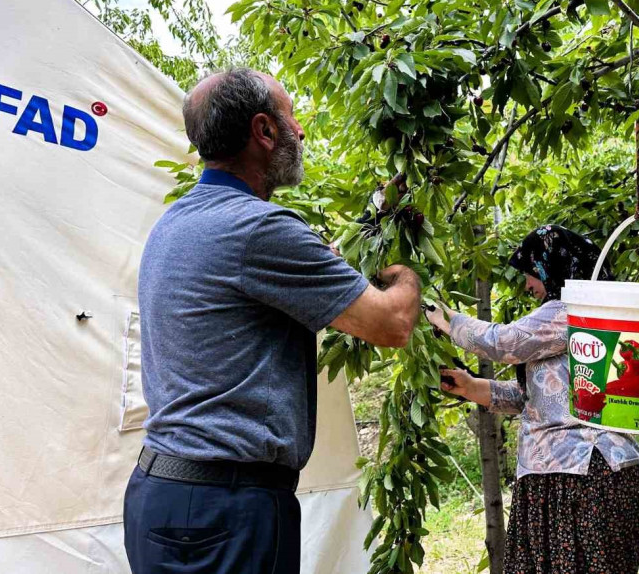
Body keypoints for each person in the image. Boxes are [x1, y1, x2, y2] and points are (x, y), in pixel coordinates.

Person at [124, 68, 422, 574]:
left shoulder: (174, 223)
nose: (301, 130)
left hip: (160, 494)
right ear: (264, 131)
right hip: (226, 511)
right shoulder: (258, 229)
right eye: (291, 116)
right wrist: (404, 274)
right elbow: (392, 324)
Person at [425, 225, 639, 574]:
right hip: (589, 475)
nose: (529, 285)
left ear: (556, 267)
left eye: (533, 273)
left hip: (578, 478)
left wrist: (446, 319)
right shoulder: (592, 316)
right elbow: (539, 399)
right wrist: (471, 387)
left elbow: (504, 342)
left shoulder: (574, 309)